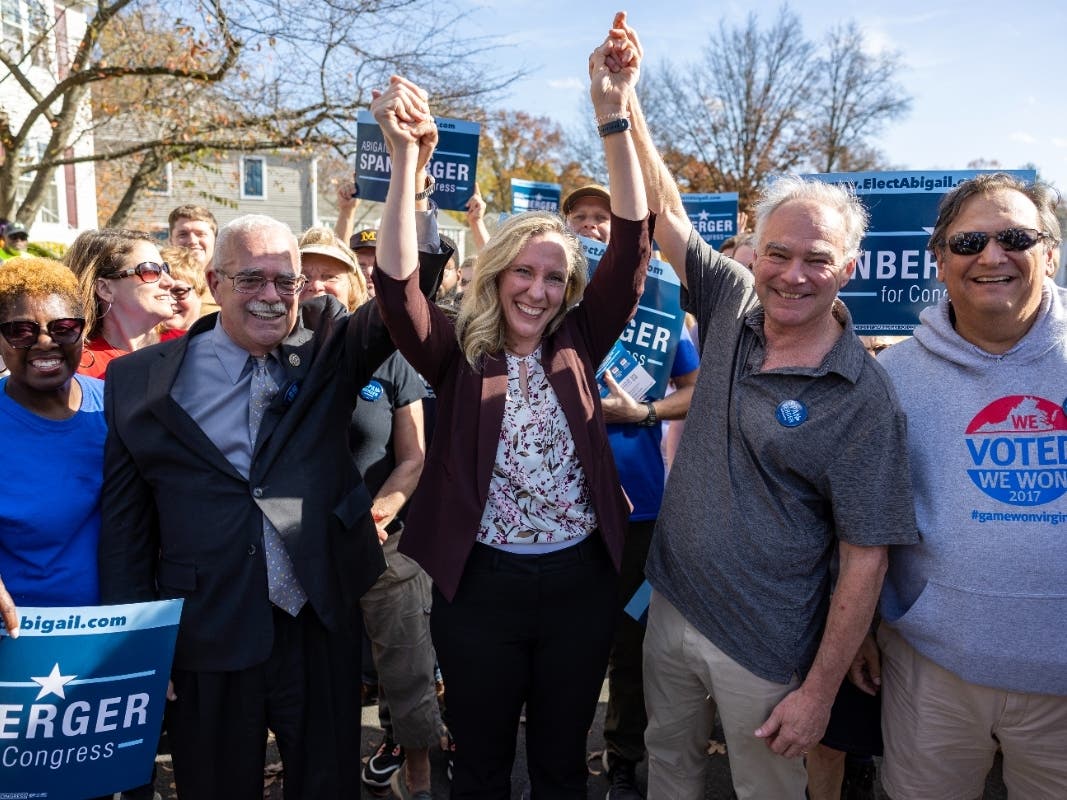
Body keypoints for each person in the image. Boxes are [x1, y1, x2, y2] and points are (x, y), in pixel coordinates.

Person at [620, 14, 918, 796]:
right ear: (756, 249)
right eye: (777, 253)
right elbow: (662, 212)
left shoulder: (862, 397)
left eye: (815, 259)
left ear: (846, 268)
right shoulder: (731, 303)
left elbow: (865, 555)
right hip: (670, 607)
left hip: (768, 648)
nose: (791, 275)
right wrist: (623, 100)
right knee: (670, 773)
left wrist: (818, 690)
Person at [370, 15, 650, 796]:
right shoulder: (458, 351)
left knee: (562, 760)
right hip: (478, 588)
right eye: (523, 273)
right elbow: (396, 287)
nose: (537, 289)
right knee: (484, 764)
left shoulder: (579, 342)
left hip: (578, 585)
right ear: (497, 277)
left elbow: (630, 244)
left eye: (554, 277)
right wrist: (402, 163)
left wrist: (614, 110)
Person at [96, 206, 451, 799]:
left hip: (316, 621)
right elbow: (126, 526)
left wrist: (409, 179)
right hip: (207, 629)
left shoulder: (326, 349)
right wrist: (139, 646)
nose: (271, 296)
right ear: (214, 283)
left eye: (285, 281)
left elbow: (398, 302)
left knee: (325, 786)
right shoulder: (140, 378)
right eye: (251, 279)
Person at [871, 172, 1067, 799]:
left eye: (1015, 236)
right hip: (932, 669)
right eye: (967, 242)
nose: (991, 255)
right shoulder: (892, 376)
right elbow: (864, 518)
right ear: (939, 260)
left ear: (1052, 252)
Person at [557, 181, 701, 800]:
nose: (593, 227)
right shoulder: (546, 295)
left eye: (603, 218)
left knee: (632, 638)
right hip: (558, 506)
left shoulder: (662, 301)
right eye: (581, 217)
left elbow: (695, 386)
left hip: (640, 507)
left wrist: (645, 414)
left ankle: (622, 759)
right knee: (564, 640)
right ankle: (558, 756)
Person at [296, 227, 445, 798]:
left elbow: (413, 457)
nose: (316, 285)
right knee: (322, 678)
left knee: (407, 674)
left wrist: (379, 513)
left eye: (329, 274)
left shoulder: (391, 358)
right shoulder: (276, 356)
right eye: (304, 275)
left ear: (356, 284)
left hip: (386, 542)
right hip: (307, 547)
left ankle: (418, 774)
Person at [66, 228, 180, 379]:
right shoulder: (79, 368)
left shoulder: (188, 346)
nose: (169, 282)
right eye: (150, 270)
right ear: (105, 289)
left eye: (165, 269)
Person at [160, 245, 207, 331]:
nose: (169, 300)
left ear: (199, 292)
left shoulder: (217, 341)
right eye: (161, 291)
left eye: (179, 291)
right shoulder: (134, 341)